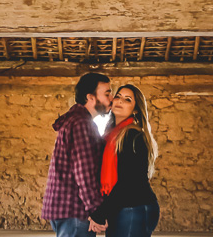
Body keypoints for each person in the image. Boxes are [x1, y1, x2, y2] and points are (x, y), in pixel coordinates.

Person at [43, 72, 113, 237]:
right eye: (107, 93)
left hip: (68, 209)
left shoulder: (77, 120)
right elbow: (84, 171)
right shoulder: (81, 123)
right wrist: (96, 209)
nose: (111, 98)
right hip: (75, 209)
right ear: (91, 97)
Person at [88, 84, 160, 237]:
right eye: (118, 97)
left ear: (135, 109)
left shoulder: (132, 135)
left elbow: (128, 182)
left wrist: (100, 213)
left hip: (134, 207)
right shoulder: (113, 135)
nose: (120, 101)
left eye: (127, 100)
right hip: (125, 206)